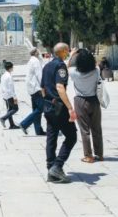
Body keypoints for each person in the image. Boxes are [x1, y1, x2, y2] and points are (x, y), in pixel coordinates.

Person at [41, 43, 77, 183]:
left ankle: (51, 170)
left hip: (48, 106)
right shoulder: (60, 66)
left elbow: (43, 88)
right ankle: (57, 165)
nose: (68, 52)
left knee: (51, 137)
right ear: (62, 51)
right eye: (67, 50)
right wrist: (69, 108)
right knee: (71, 136)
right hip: (58, 107)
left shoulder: (47, 66)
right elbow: (60, 87)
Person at [68, 49, 103, 163]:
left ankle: (88, 155)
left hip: (80, 100)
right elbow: (97, 65)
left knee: (84, 130)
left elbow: (67, 66)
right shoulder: (96, 71)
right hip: (94, 100)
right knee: (96, 128)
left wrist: (72, 55)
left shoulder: (73, 72)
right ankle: (99, 154)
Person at [19, 48, 46, 135]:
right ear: (36, 52)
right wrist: (43, 87)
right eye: (38, 51)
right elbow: (39, 75)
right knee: (41, 108)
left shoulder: (31, 60)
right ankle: (24, 123)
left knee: (36, 109)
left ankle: (38, 130)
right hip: (36, 88)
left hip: (31, 88)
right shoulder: (35, 61)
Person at [0, 62, 20, 129]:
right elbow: (11, 88)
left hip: (5, 95)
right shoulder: (9, 76)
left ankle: (12, 125)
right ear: (10, 68)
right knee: (15, 108)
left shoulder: (3, 75)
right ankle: (3, 118)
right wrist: (14, 97)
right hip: (10, 95)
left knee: (10, 109)